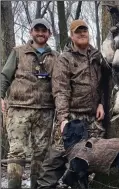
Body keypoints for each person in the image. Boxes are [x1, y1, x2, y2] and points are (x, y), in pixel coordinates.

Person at [37, 19, 107, 188]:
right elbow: (60, 90)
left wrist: (101, 104)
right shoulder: (64, 59)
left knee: (92, 156)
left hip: (92, 118)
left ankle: (77, 183)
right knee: (57, 156)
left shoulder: (97, 56)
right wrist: (63, 119)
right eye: (78, 32)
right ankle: (45, 186)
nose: (82, 34)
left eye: (85, 31)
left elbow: (105, 84)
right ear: (72, 36)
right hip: (72, 116)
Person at [0, 18, 58, 189]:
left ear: (49, 33)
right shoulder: (18, 52)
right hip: (19, 109)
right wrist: (1, 96)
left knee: (41, 154)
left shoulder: (56, 57)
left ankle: (36, 186)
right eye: (37, 30)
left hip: (45, 111)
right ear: (31, 31)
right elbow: (4, 76)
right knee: (17, 152)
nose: (40, 33)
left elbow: (61, 84)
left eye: (44, 30)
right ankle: (14, 185)